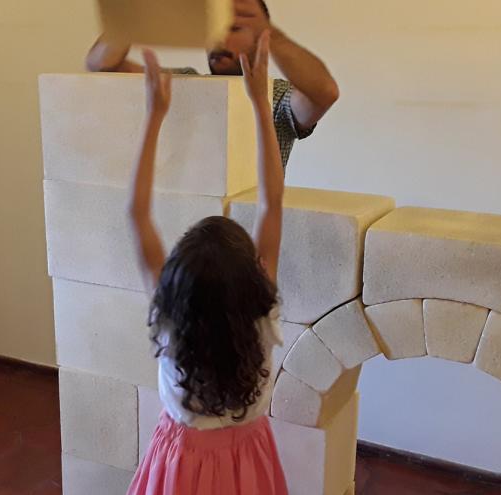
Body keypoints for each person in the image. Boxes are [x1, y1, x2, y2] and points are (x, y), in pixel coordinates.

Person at [126, 32, 288, 494]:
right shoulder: (261, 318)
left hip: (183, 464)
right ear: (253, 281)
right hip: (249, 460)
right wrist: (260, 104)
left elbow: (136, 215)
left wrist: (154, 117)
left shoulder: (172, 324)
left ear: (177, 285)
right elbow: (271, 205)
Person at [86, 0, 339, 169]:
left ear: (261, 38)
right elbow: (102, 65)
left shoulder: (276, 97)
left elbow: (323, 93)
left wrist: (272, 33)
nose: (220, 41)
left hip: (243, 243)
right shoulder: (186, 83)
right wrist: (136, 17)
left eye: (235, 29)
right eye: (215, 31)